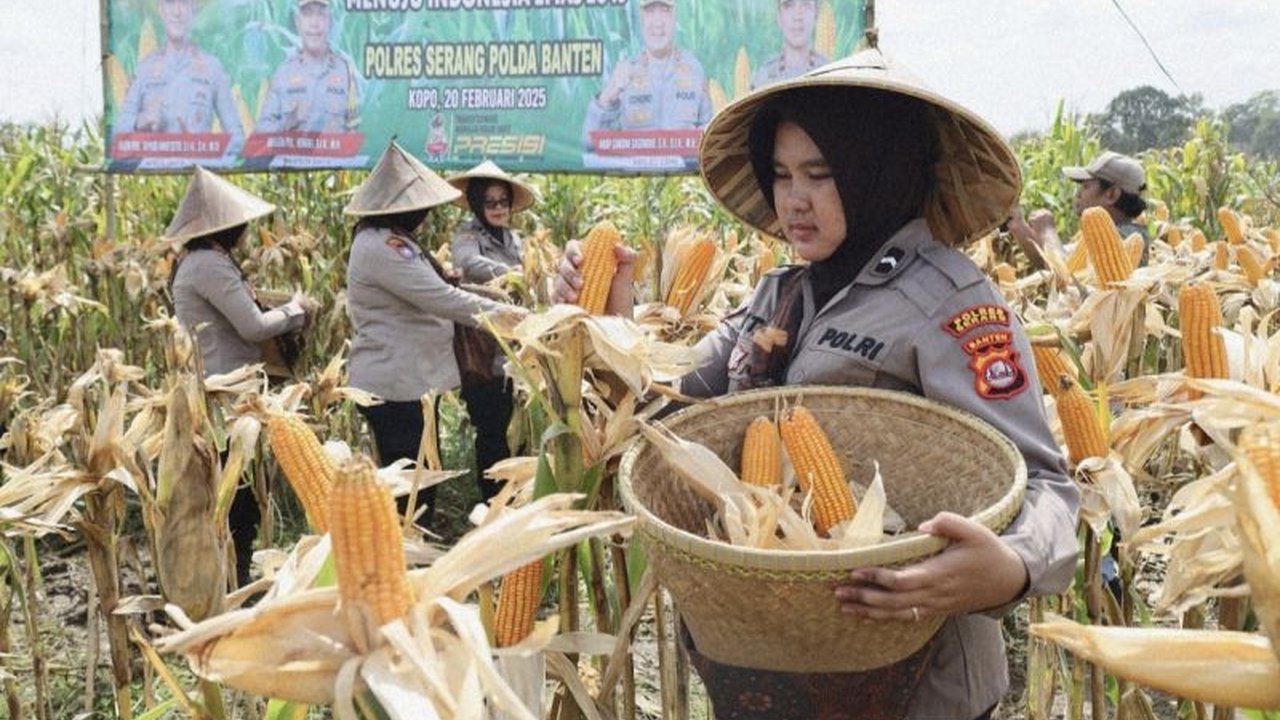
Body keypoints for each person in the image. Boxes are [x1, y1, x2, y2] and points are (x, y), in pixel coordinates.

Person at [557, 47, 1080, 720]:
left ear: (877, 171)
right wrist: (609, 325)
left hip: (915, 678)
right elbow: (672, 410)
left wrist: (1012, 566)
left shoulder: (951, 305)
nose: (792, 200)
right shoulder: (780, 293)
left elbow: (1048, 486)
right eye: (780, 174)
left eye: (819, 174)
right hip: (776, 666)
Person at [345, 142, 517, 524]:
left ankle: (412, 561)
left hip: (410, 384)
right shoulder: (382, 245)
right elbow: (441, 299)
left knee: (420, 481)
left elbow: (429, 287)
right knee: (413, 490)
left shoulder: (390, 240)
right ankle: (408, 567)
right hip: (395, 388)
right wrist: (512, 317)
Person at [166, 166, 317, 588]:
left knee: (231, 492)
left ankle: (228, 577)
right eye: (243, 224)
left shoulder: (194, 262)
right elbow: (252, 327)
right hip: (228, 395)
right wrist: (295, 309)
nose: (249, 231)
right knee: (240, 495)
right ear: (228, 225)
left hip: (217, 389)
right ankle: (233, 581)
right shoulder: (211, 264)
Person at [445, 161, 535, 500]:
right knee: (492, 427)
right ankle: (491, 496)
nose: (498, 208)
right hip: (484, 348)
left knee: (517, 424)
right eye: (490, 202)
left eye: (503, 202)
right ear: (478, 206)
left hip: (517, 346)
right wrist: (515, 273)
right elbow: (469, 264)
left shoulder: (515, 238)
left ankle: (516, 491)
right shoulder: (469, 236)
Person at [116, 0, 244, 156]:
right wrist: (141, 121)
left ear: (193, 9)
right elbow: (118, 135)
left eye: (184, 3)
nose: (177, 12)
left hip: (198, 174)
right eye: (170, 3)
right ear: (161, 9)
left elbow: (237, 138)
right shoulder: (145, 69)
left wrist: (207, 152)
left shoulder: (212, 68)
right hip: (153, 176)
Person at [581, 0, 712, 146]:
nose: (658, 23)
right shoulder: (624, 72)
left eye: (665, 10)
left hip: (684, 169)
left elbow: (711, 133)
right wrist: (608, 95)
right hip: (637, 170)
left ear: (675, 16)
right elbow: (590, 143)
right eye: (650, 11)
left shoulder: (695, 69)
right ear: (640, 18)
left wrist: (703, 136)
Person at [1009, 150, 1150, 269]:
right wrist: (1018, 225)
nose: (1078, 194)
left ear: (1111, 194)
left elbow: (1068, 275)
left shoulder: (1128, 237)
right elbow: (1050, 262)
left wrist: (1047, 231)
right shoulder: (1105, 233)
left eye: (1085, 187)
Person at [255, 0, 360, 134]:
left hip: (332, 155)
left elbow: (354, 131)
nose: (314, 23)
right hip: (291, 155)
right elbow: (261, 131)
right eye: (307, 14)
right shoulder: (283, 73)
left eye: (321, 15)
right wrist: (288, 122)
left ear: (330, 21)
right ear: (298, 22)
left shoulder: (345, 71)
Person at [751, 0, 829, 89]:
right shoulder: (763, 78)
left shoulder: (830, 75)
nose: (798, 16)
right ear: (779, 17)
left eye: (806, 4)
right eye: (788, 5)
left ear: (816, 15)